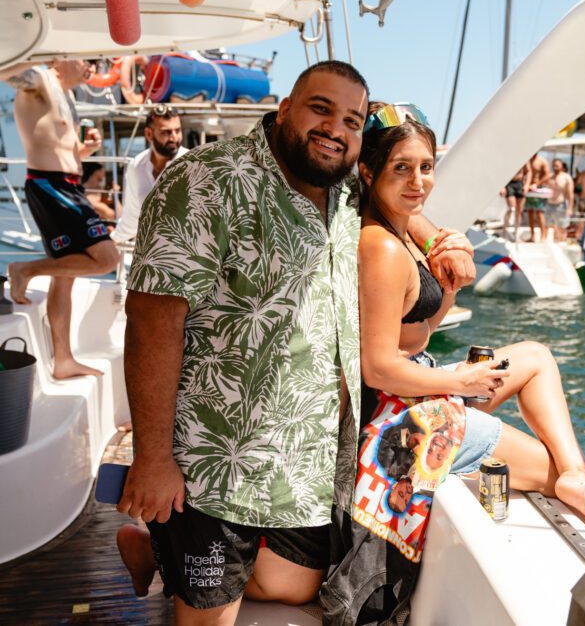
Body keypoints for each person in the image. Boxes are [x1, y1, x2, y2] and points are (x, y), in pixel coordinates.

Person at [114, 62, 475, 625]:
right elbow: (151, 321)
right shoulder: (207, 181)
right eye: (320, 109)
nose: (335, 128)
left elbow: (403, 194)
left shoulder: (346, 187)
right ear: (285, 108)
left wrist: (441, 239)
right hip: (217, 465)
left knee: (294, 587)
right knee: (210, 618)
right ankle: (173, 551)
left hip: (308, 465)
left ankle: (158, 553)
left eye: (352, 120)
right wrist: (154, 459)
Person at [321, 102, 585, 624]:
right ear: (368, 171)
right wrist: (462, 379)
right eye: (401, 168)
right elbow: (378, 366)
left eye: (426, 167)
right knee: (552, 471)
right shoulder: (382, 248)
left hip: (418, 388)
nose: (418, 182)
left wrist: (449, 287)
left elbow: (413, 335)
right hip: (405, 421)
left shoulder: (400, 227)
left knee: (535, 357)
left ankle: (573, 473)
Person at [0, 60, 120, 379]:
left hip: (66, 185)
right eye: (85, 60)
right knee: (108, 259)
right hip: (50, 186)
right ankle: (26, 269)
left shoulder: (66, 95)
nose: (91, 65)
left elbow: (64, 152)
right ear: (61, 59)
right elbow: (4, 70)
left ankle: (63, 360)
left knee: (65, 275)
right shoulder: (40, 78)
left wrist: (88, 149)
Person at [111, 104, 187, 243]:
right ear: (149, 134)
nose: (174, 138)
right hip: (153, 255)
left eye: (177, 130)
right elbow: (131, 219)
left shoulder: (194, 165)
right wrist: (111, 242)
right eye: (166, 132)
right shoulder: (136, 166)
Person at [524, 152, 551, 241]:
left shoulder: (542, 161)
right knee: (530, 212)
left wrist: (537, 184)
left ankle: (543, 236)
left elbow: (548, 175)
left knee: (540, 213)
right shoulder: (526, 160)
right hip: (529, 190)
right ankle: (533, 236)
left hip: (538, 190)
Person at [546, 158, 575, 242]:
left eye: (557, 166)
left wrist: (570, 208)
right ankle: (555, 242)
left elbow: (570, 194)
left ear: (562, 166)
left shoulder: (566, 177)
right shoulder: (550, 176)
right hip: (549, 204)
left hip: (561, 204)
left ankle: (562, 242)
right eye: (554, 165)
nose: (555, 167)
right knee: (551, 226)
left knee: (562, 227)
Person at [499, 162, 530, 240]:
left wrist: (527, 185)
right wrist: (501, 186)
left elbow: (529, 171)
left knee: (519, 211)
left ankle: (516, 233)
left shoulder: (524, 157)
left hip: (520, 184)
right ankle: (505, 230)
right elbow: (500, 170)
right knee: (511, 209)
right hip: (509, 184)